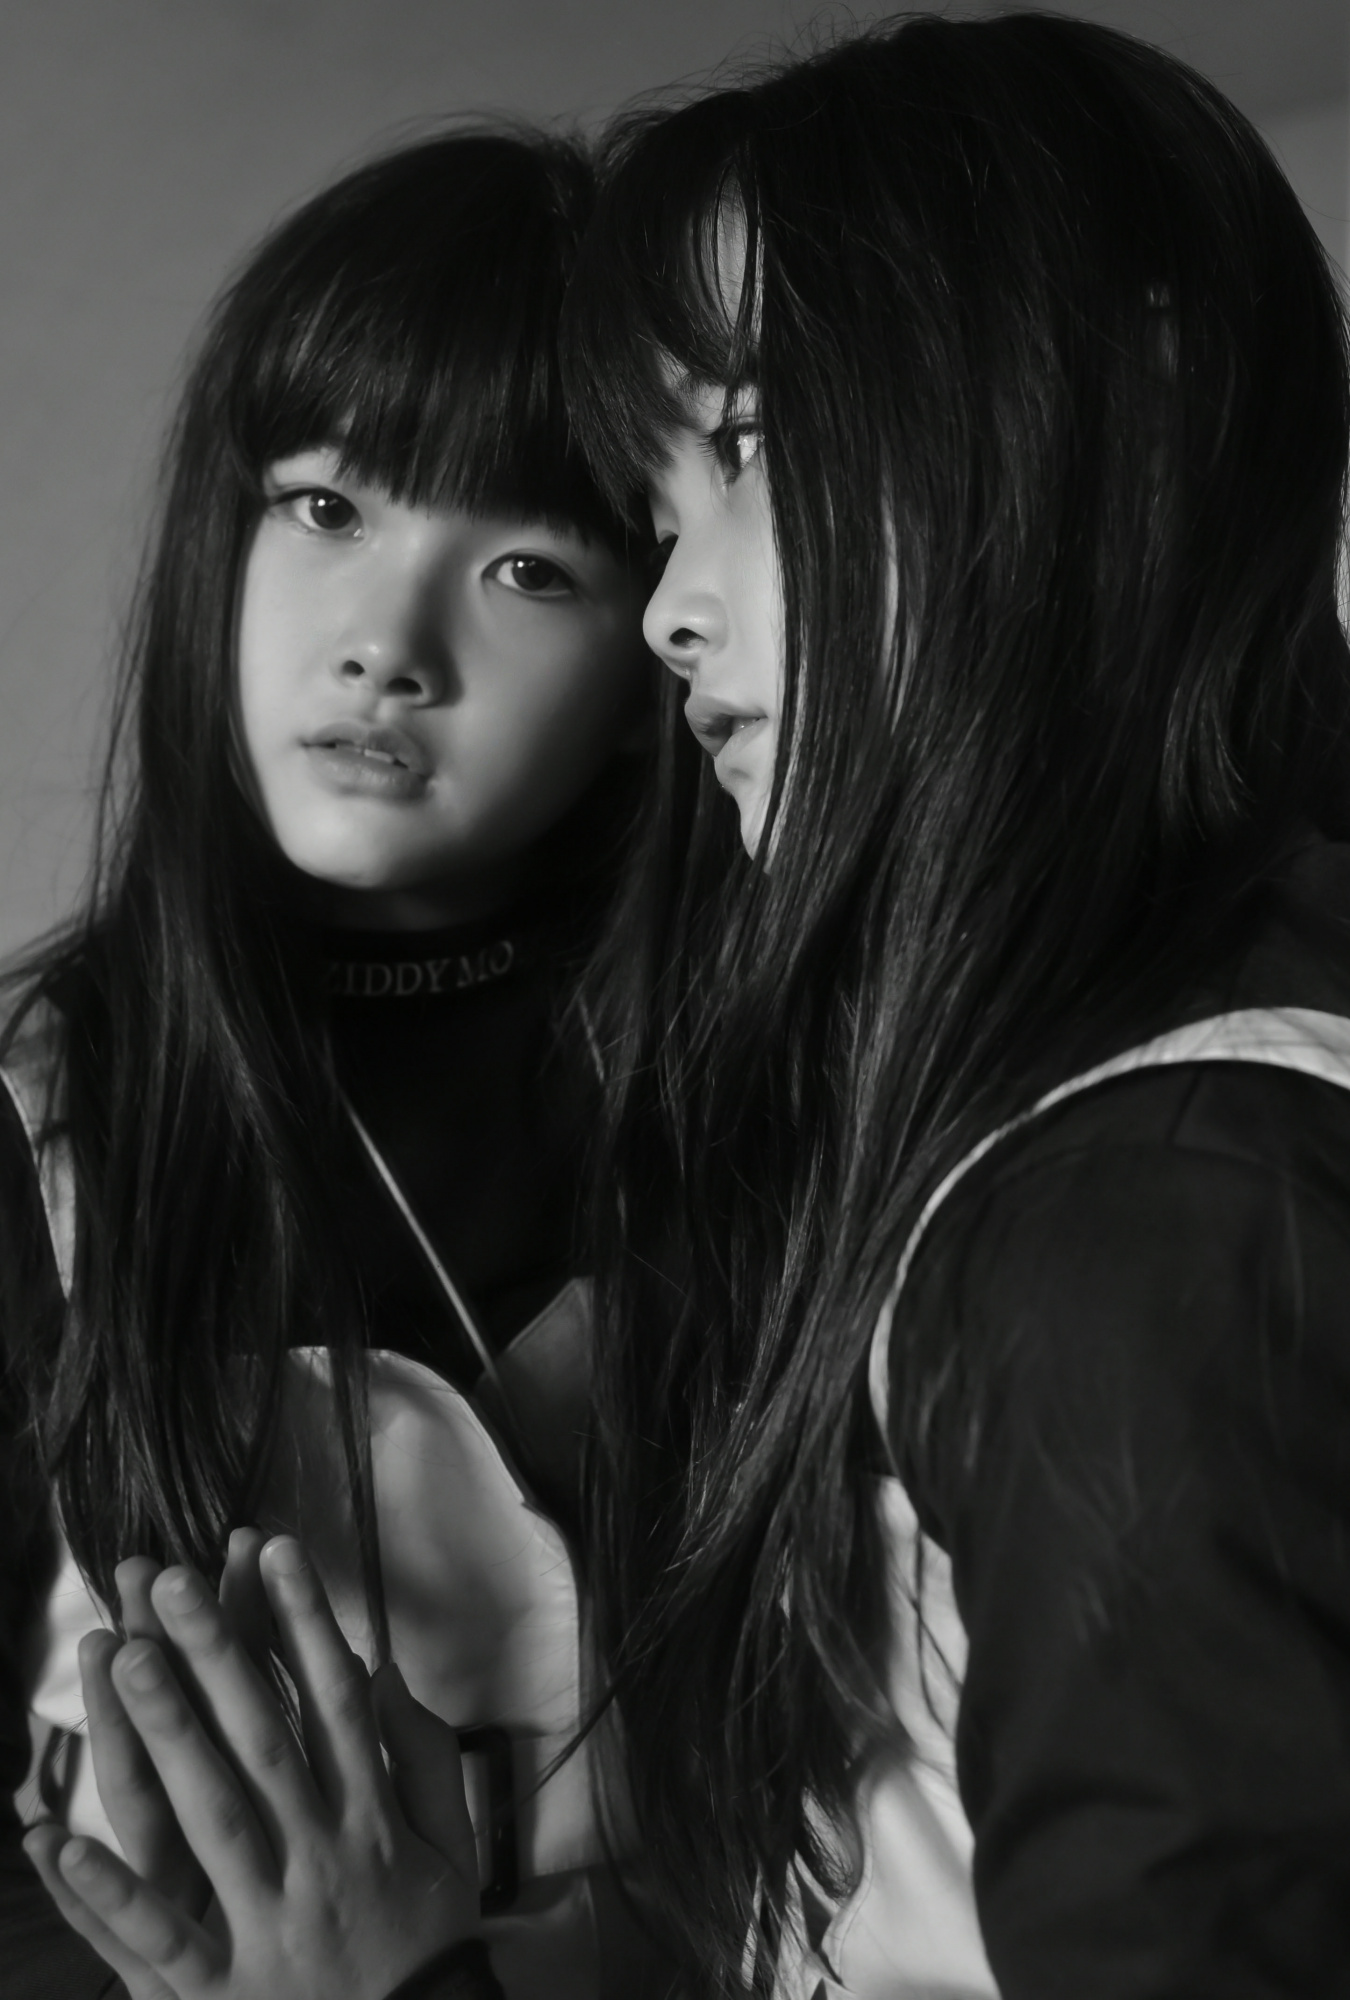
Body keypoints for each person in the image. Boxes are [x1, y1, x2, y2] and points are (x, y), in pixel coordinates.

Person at [29, 11, 1350, 1999]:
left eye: (749, 450)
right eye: (323, 504)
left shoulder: (1167, 1194)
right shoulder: (1101, 1092)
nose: (681, 607)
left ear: (1124, 415)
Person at [2, 128, 661, 2000]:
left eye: (529, 565)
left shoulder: (789, 1088)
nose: (387, 648)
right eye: (325, 506)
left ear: (665, 648)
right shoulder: (49, 1108)